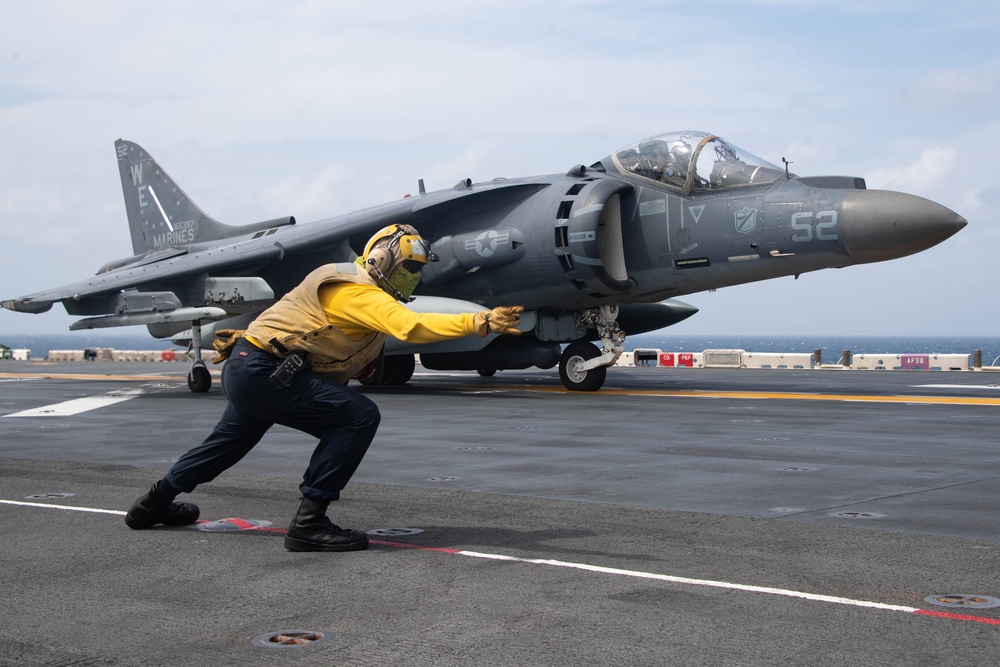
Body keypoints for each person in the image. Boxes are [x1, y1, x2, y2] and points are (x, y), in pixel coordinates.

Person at [124, 223, 524, 552]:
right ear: (382, 258)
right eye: (410, 265)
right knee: (358, 416)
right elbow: (409, 326)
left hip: (255, 369)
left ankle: (153, 504)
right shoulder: (355, 290)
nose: (414, 274)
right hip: (265, 370)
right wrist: (481, 322)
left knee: (227, 443)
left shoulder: (367, 293)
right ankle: (309, 522)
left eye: (418, 267)